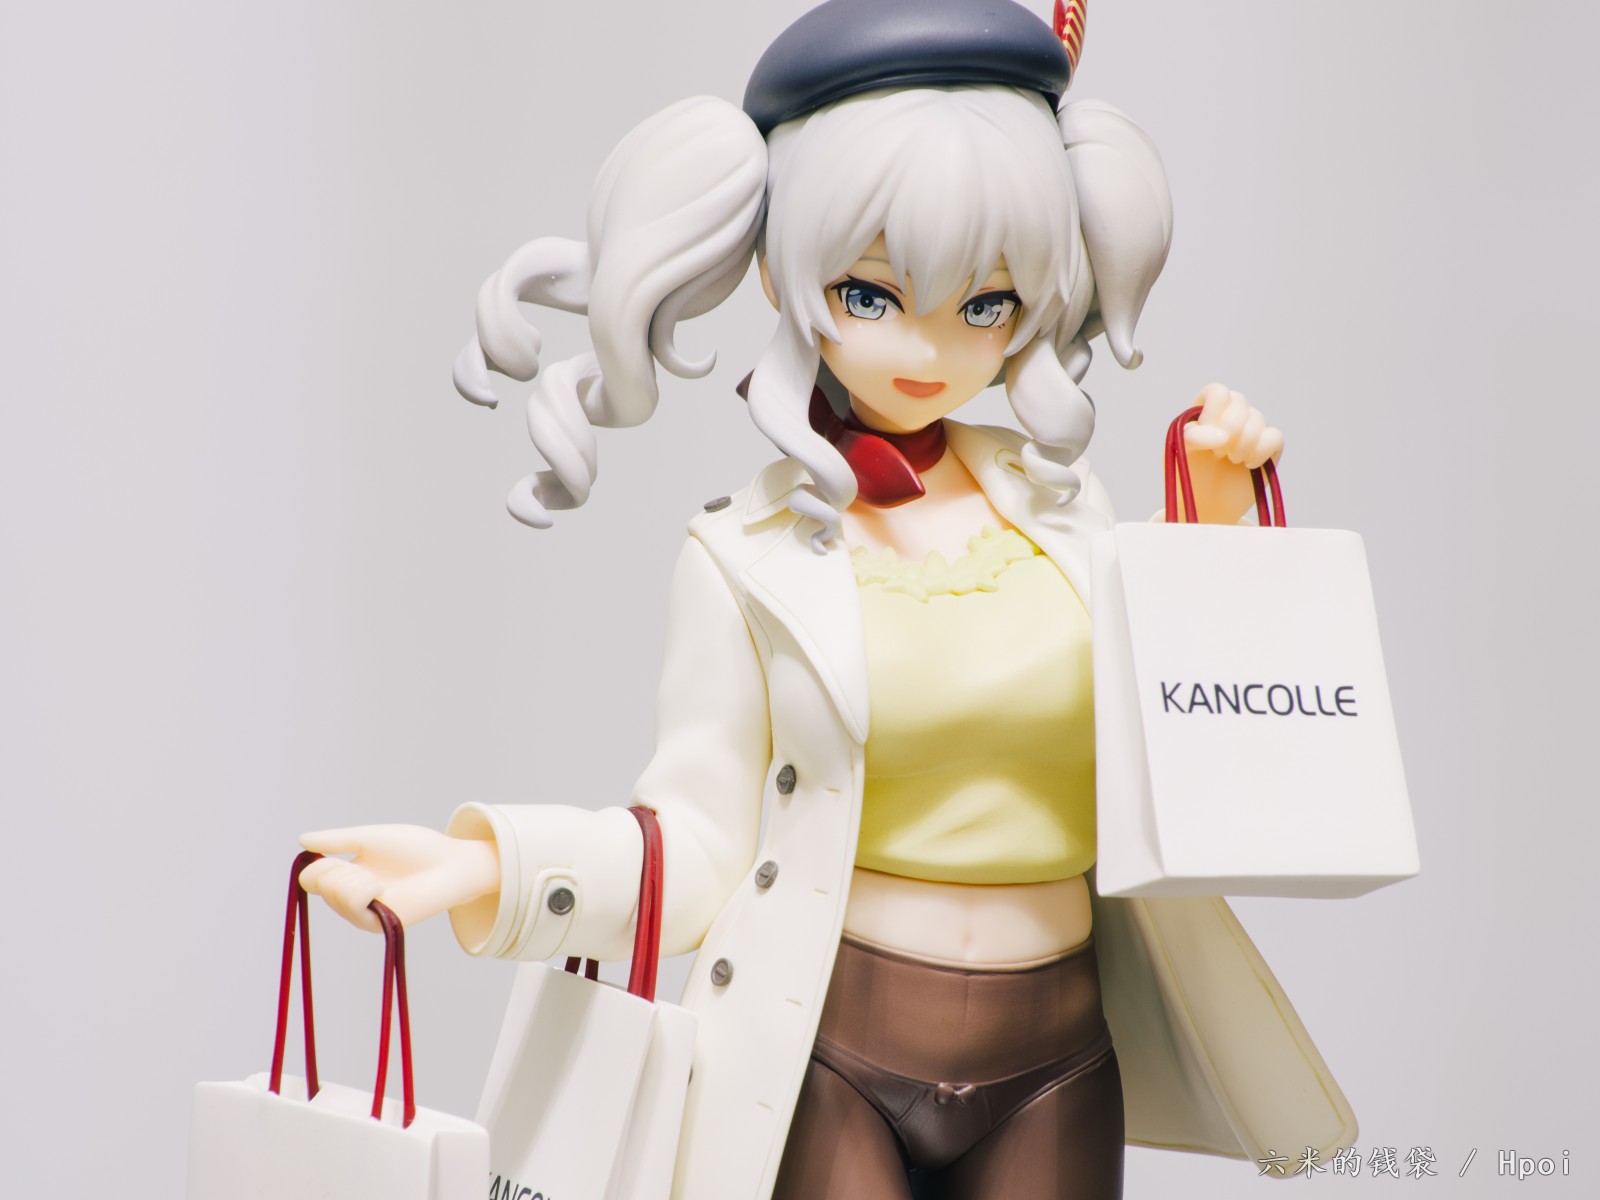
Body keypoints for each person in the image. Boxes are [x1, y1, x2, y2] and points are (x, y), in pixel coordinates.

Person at [299, 3, 1355, 1197]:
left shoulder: (1070, 518)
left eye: (986, 304)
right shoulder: (741, 554)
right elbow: (698, 844)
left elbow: (1183, 743)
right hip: (826, 1055)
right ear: (781, 269)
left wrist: (1213, 523)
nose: (927, 350)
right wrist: (490, 865)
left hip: (1059, 1053)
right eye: (869, 295)